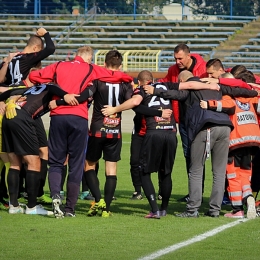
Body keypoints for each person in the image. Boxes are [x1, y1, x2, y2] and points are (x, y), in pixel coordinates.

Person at [29, 46, 133, 218]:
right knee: (76, 164)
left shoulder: (58, 65)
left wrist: (57, 93)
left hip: (58, 117)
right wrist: (127, 77)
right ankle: (70, 208)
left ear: (75, 55)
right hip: (79, 118)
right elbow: (115, 75)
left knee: (56, 162)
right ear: (90, 58)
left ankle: (55, 195)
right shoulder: (91, 68)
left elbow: (34, 76)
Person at [146, 70, 258, 217]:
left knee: (196, 169)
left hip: (206, 127)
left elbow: (174, 94)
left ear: (184, 82)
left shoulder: (190, 89)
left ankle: (192, 209)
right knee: (219, 171)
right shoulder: (216, 87)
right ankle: (215, 210)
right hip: (225, 128)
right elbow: (239, 92)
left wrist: (155, 91)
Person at [0, 82, 79, 215]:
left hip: (8, 117)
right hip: (23, 118)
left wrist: (4, 102)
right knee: (34, 162)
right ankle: (32, 207)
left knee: (14, 163)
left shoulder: (30, 88)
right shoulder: (53, 87)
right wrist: (66, 96)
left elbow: (7, 93)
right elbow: (59, 92)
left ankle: (14, 206)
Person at [200, 80, 259, 219]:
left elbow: (228, 106)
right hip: (252, 141)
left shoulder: (229, 97)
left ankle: (237, 210)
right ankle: (249, 196)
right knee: (245, 174)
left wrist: (208, 104)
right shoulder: (252, 98)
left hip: (235, 141)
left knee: (232, 176)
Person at [159, 43, 208, 202]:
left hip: (201, 119)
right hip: (183, 121)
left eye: (180, 58)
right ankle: (194, 192)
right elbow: (165, 82)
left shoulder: (203, 69)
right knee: (188, 155)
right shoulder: (173, 70)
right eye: (175, 58)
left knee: (200, 156)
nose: (177, 61)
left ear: (189, 56)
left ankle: (203, 193)